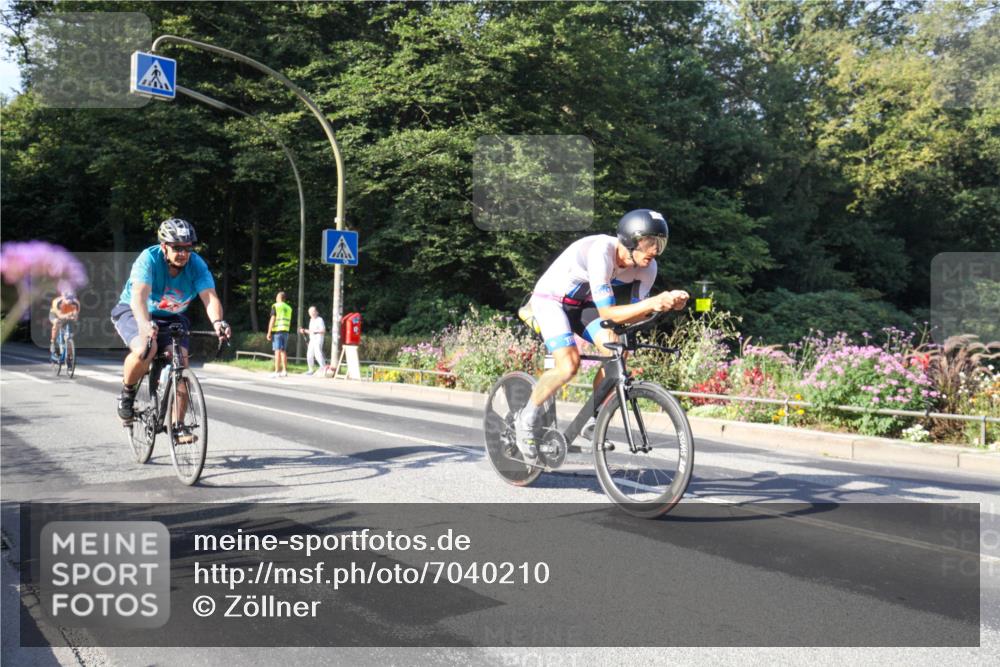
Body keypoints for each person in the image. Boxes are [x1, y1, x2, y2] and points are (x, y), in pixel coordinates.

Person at [515, 209, 689, 459]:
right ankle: (527, 417)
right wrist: (653, 303)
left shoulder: (646, 268)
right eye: (650, 243)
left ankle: (593, 420)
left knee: (615, 349)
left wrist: (666, 304)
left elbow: (633, 314)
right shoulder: (601, 251)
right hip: (549, 301)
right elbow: (608, 312)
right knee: (569, 365)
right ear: (630, 240)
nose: (655, 251)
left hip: (582, 304)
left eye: (660, 244)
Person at [111, 218, 231, 438]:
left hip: (172, 316)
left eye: (187, 248)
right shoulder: (149, 259)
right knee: (146, 349)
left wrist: (218, 322)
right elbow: (139, 296)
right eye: (177, 248)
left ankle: (178, 426)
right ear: (164, 246)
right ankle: (127, 394)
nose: (183, 254)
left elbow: (209, 297)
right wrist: (144, 324)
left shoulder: (197, 265)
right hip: (133, 310)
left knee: (181, 364)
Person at [49, 289, 80, 359]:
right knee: (57, 322)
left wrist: (74, 317)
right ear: (62, 297)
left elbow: (76, 317)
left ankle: (70, 357)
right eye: (67, 299)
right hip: (55, 314)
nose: (69, 301)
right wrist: (70, 314)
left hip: (67, 315)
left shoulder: (76, 303)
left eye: (71, 299)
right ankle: (53, 343)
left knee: (69, 337)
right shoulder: (56, 302)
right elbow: (60, 316)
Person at [267, 291, 292, 377]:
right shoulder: (288, 308)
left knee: (277, 351)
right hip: (286, 331)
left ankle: (277, 371)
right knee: (283, 351)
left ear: (278, 298)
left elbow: (273, 319)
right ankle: (284, 371)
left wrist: (269, 332)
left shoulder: (276, 306)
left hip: (277, 331)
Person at [298, 306, 327, 375]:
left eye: (313, 311)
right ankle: (311, 370)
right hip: (312, 339)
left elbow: (323, 331)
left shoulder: (320, 319)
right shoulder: (311, 320)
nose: (312, 313)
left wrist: (312, 331)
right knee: (309, 354)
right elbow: (311, 331)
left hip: (318, 338)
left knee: (318, 354)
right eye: (310, 312)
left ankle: (323, 368)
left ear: (317, 312)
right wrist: (304, 331)